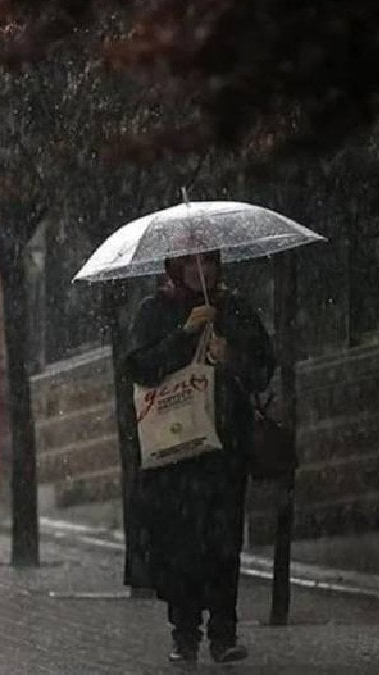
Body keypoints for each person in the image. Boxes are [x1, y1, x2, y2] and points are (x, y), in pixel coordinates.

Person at [123, 250, 275, 665]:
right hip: (176, 450)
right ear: (174, 267)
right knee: (180, 545)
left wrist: (233, 358)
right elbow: (141, 368)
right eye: (189, 263)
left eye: (206, 261)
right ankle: (184, 633)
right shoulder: (155, 311)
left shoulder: (233, 308)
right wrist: (184, 335)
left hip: (224, 448)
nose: (199, 270)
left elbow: (263, 368)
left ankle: (224, 634)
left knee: (224, 543)